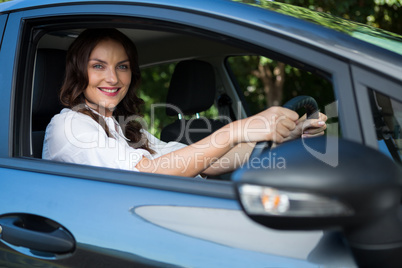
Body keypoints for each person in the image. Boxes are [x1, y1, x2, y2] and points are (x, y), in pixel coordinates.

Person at [42, 28, 327, 178]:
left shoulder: (123, 128)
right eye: (98, 66)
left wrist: (284, 138)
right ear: (79, 71)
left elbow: (207, 165)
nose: (113, 78)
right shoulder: (69, 125)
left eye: (123, 66)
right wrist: (237, 129)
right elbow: (148, 174)